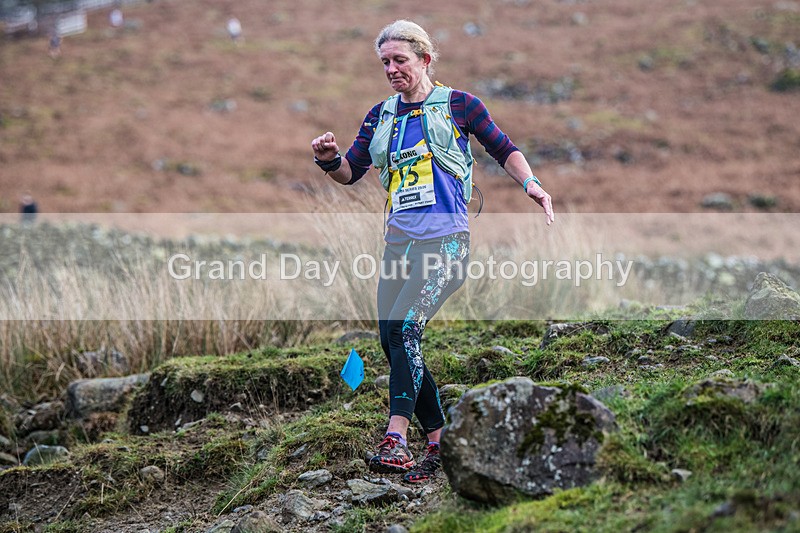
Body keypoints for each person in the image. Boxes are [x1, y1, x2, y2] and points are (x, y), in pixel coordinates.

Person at [310, 20, 554, 484]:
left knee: (403, 329)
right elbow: (350, 171)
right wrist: (327, 159)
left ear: (425, 59)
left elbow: (503, 148)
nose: (391, 69)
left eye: (400, 60)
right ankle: (439, 441)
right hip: (398, 247)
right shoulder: (379, 116)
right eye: (384, 62)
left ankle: (396, 435)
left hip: (446, 245)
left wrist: (533, 186)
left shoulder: (461, 105)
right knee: (392, 339)